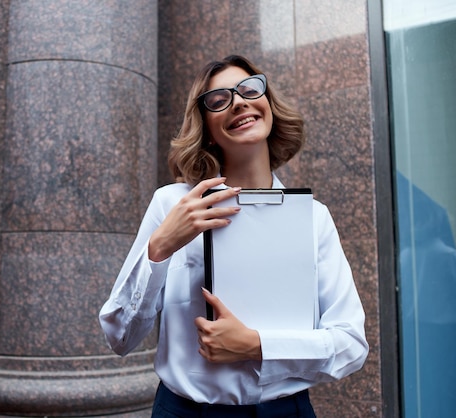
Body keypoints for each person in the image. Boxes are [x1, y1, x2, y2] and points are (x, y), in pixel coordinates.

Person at [99, 55, 368, 417]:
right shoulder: (173, 203)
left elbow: (350, 344)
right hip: (185, 411)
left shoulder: (313, 218)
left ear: (267, 104)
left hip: (285, 412)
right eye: (219, 99)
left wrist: (256, 345)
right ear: (207, 127)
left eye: (249, 89)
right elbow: (119, 337)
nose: (239, 101)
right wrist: (160, 247)